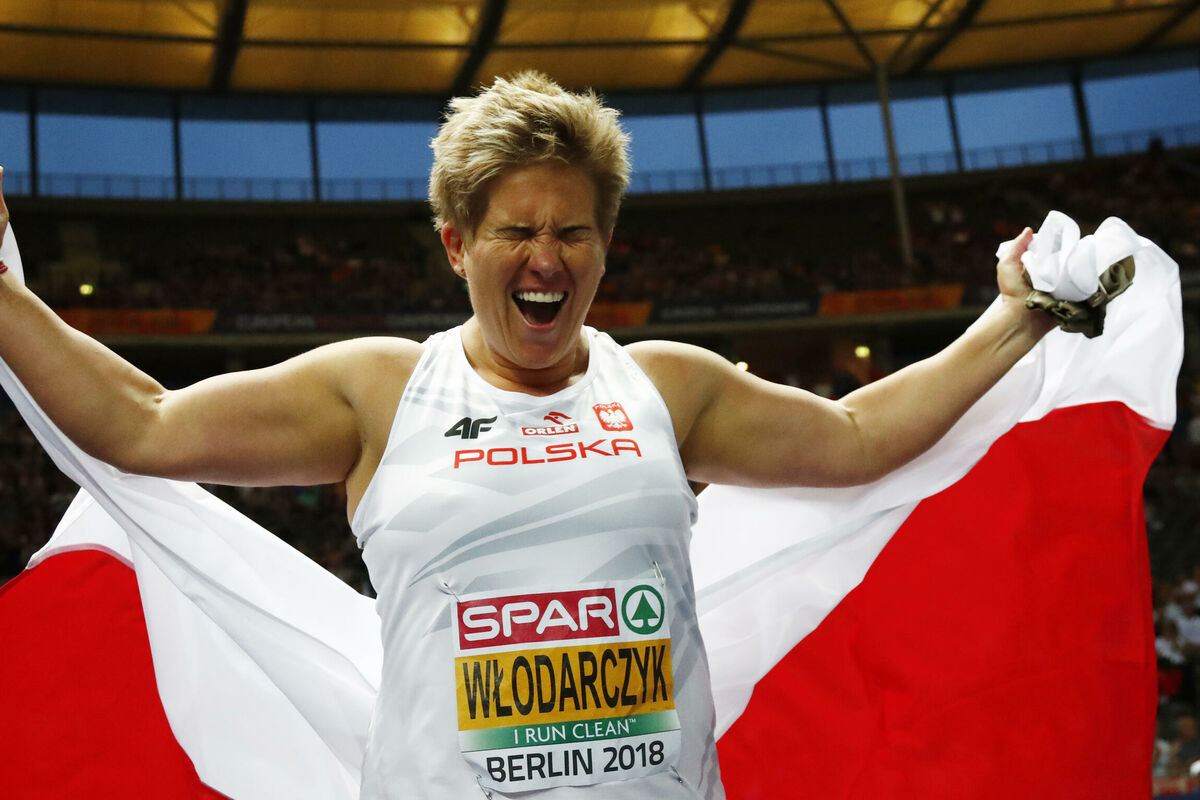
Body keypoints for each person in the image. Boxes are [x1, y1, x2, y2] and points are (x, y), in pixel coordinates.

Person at [0, 72, 1055, 799]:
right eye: (516, 229)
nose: (546, 256)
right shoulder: (378, 392)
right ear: (457, 244)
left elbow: (861, 434)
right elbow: (140, 422)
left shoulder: (669, 387)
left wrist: (1016, 317)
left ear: (605, 244)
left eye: (572, 230)